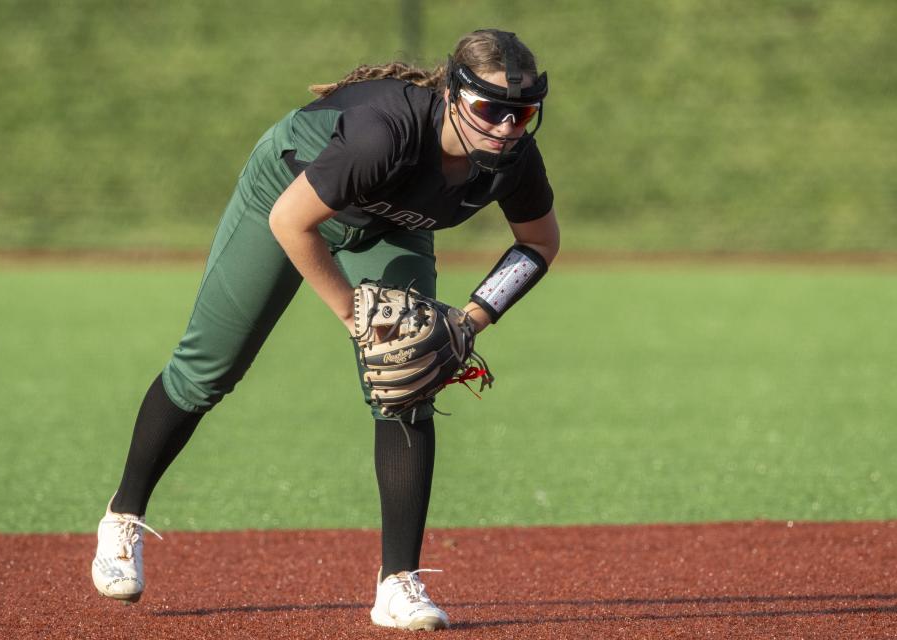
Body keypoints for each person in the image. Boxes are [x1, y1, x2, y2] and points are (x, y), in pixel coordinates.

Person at [90, 28, 559, 631]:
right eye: (490, 109)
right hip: (285, 198)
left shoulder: (515, 160)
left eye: (522, 113)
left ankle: (397, 583)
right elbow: (293, 221)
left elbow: (539, 243)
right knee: (210, 367)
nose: (506, 127)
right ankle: (123, 515)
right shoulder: (385, 133)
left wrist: (469, 323)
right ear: (451, 94)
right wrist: (358, 321)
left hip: (389, 225)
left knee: (406, 387)